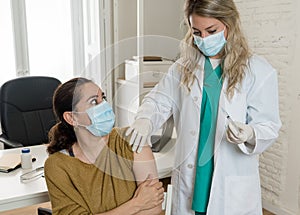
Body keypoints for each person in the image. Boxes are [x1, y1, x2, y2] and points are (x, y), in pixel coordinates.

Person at [125, 0, 282, 214]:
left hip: (231, 179)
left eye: (211, 30)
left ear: (230, 24)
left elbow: (269, 126)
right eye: (197, 32)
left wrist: (250, 133)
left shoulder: (258, 70)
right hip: (192, 174)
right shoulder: (183, 67)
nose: (204, 39)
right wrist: (145, 119)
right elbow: (158, 101)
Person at [44, 77, 164, 215]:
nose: (104, 106)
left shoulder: (132, 139)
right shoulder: (57, 166)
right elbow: (145, 204)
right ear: (72, 118)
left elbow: (154, 208)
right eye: (94, 101)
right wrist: (137, 204)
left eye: (103, 98)